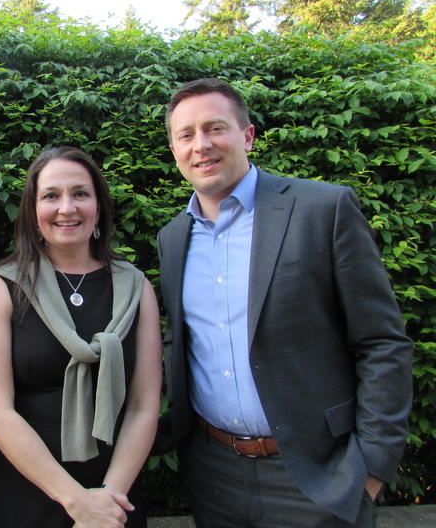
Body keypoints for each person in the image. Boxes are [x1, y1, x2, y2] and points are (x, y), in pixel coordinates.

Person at [154, 77, 413, 527]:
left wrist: (370, 469)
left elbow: (383, 342)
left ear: (247, 135)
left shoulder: (321, 210)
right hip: (213, 475)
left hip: (317, 477)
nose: (201, 145)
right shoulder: (172, 238)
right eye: (186, 134)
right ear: (175, 149)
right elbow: (181, 345)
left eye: (215, 128)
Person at [0, 146, 162, 528]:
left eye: (80, 193)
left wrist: (108, 502)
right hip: (29, 489)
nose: (66, 207)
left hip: (115, 494)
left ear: (99, 206)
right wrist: (77, 502)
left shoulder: (136, 288)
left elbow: (143, 406)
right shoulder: (3, 287)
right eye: (51, 196)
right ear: (33, 211)